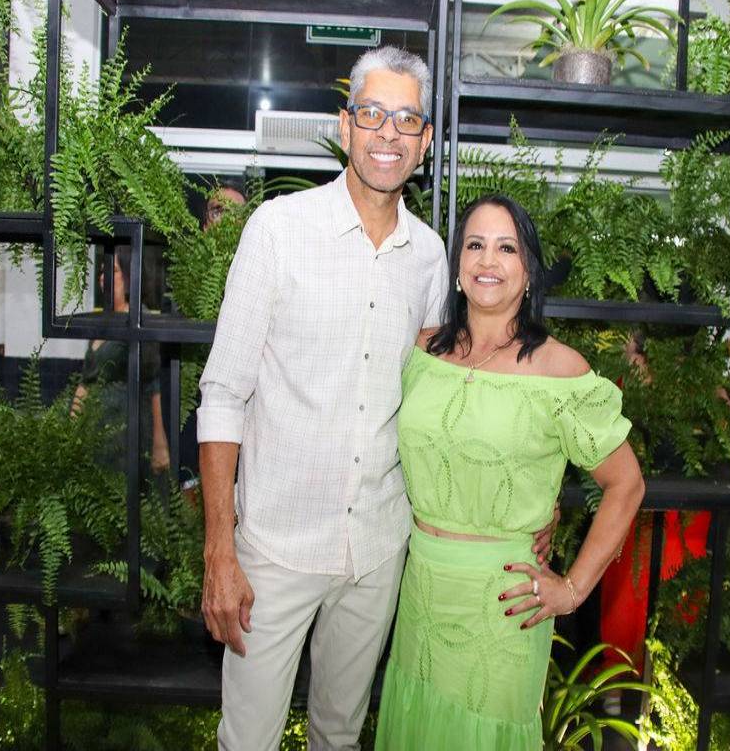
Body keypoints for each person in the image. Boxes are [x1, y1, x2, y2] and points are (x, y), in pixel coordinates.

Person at [195, 47, 556, 750]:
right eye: (372, 114)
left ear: (425, 141)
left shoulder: (432, 259)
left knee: (339, 734)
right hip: (275, 548)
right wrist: (219, 551)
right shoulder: (278, 230)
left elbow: (454, 394)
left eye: (406, 119)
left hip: (378, 550)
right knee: (248, 739)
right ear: (346, 125)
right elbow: (222, 392)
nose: (388, 133)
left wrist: (530, 505)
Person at [374, 195, 646, 750]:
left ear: (528, 272)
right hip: (421, 591)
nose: (488, 261)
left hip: (504, 606)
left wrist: (573, 589)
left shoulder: (559, 370)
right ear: (456, 266)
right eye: (475, 245)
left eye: (507, 248)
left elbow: (627, 483)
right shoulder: (421, 352)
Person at [72, 246, 169, 474]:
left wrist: (159, 442)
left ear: (129, 275)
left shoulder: (139, 321)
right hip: (95, 430)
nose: (103, 277)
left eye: (112, 271)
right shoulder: (101, 321)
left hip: (126, 431)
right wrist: (72, 427)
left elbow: (152, 384)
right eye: (102, 271)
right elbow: (86, 380)